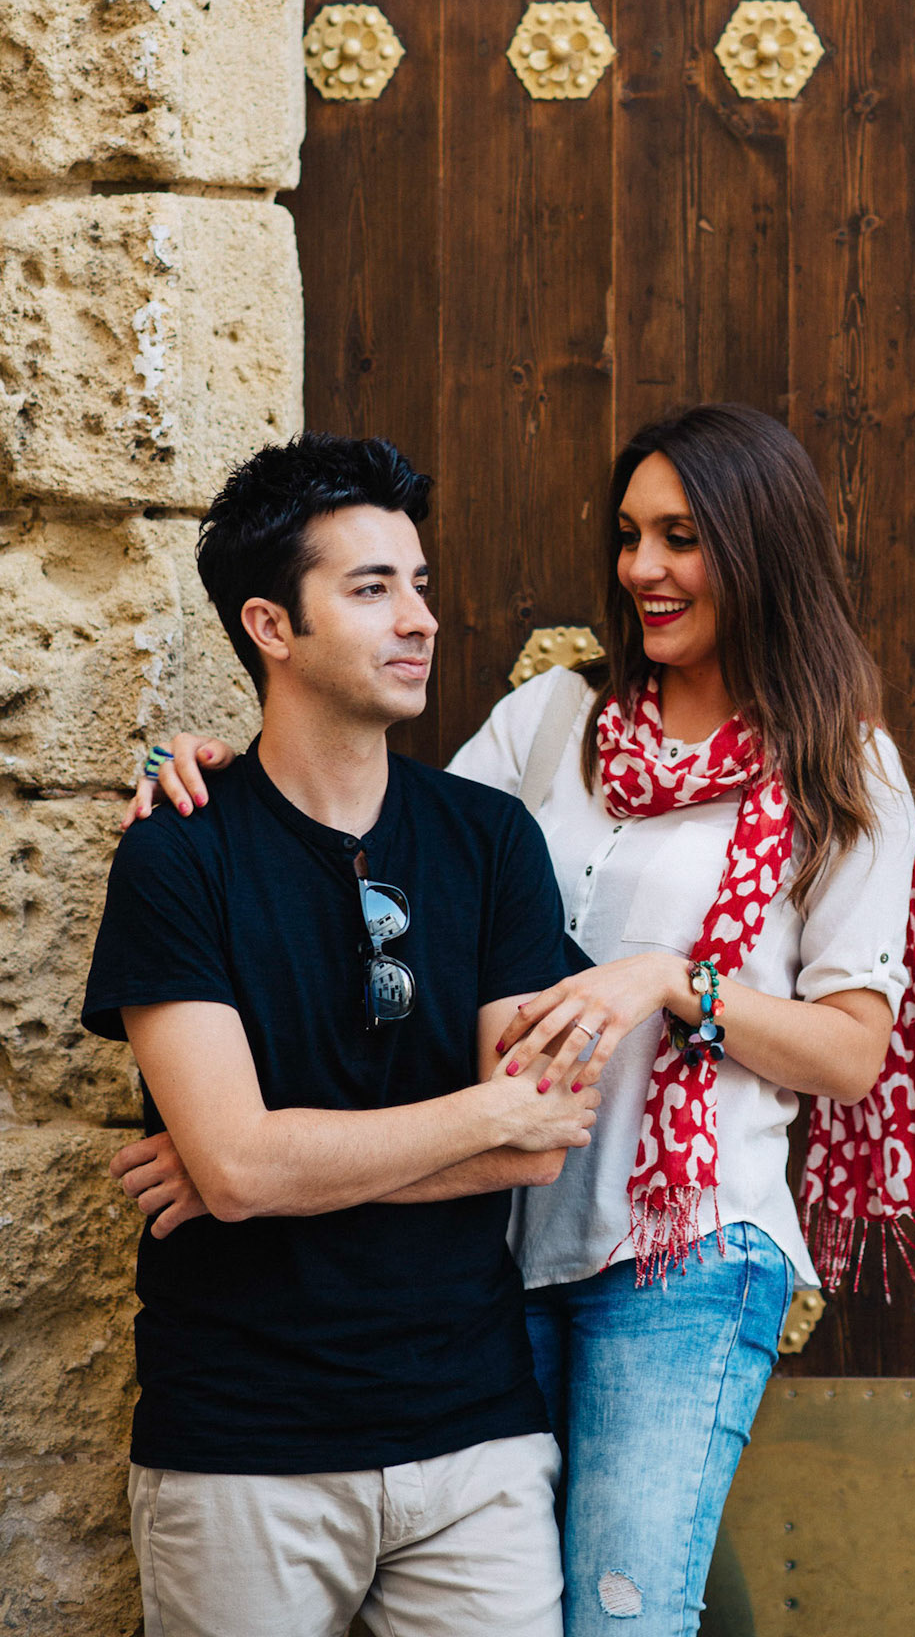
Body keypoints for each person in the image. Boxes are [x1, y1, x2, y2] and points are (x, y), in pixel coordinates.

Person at [122, 403, 915, 1637]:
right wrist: (221, 772)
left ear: (759, 547)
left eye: (681, 536)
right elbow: (375, 837)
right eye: (629, 534)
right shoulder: (555, 718)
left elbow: (851, 1051)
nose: (642, 567)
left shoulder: (841, 765)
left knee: (625, 1609)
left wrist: (667, 980)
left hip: (681, 1243)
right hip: (500, 1242)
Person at [82, 433, 601, 1637]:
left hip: (474, 1441)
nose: (419, 617)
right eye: (371, 588)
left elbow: (537, 1145)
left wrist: (275, 1165)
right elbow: (239, 1166)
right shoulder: (179, 854)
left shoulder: (490, 841)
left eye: (418, 582)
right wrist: (473, 1114)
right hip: (242, 1448)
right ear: (271, 624)